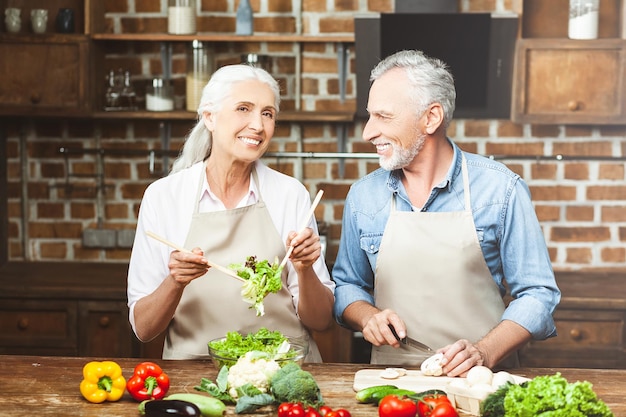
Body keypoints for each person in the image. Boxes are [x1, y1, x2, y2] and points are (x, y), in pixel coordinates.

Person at [332, 50, 561, 376]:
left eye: (383, 116)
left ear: (431, 118)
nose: (368, 132)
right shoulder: (364, 196)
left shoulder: (501, 191)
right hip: (393, 385)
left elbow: (538, 294)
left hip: (482, 382)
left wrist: (483, 352)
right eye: (370, 116)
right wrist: (366, 315)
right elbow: (347, 285)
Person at [127, 64, 335, 360]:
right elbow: (143, 329)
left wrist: (304, 271)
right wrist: (175, 282)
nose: (258, 126)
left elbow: (322, 320)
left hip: (284, 370)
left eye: (267, 113)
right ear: (209, 117)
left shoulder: (290, 194)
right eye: (243, 109)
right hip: (197, 376)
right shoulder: (164, 198)